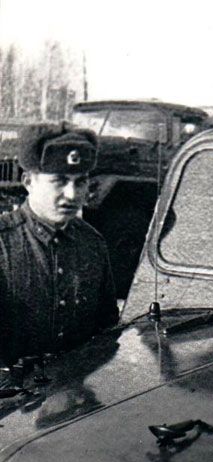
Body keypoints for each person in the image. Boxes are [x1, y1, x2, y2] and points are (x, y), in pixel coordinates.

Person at [0, 123, 119, 367]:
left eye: (80, 181)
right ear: (28, 181)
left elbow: (106, 329)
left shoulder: (93, 243)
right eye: (59, 181)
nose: (72, 194)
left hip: (76, 386)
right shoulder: (3, 243)